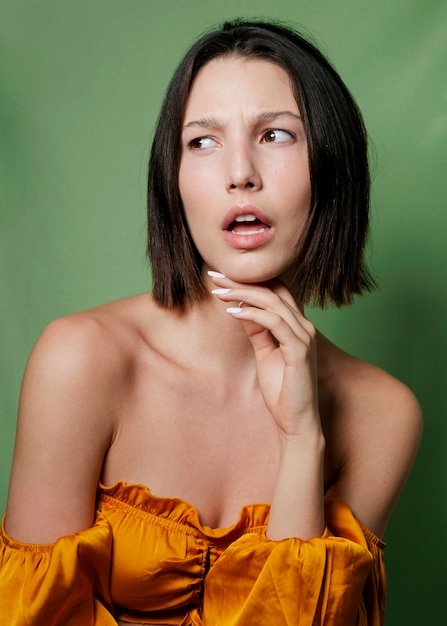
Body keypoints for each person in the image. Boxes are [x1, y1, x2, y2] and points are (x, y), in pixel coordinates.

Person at [0, 19, 422, 626]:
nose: (240, 173)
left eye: (276, 134)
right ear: (172, 182)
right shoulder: (81, 360)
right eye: (203, 141)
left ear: (333, 168)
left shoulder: (383, 415)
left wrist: (302, 440)